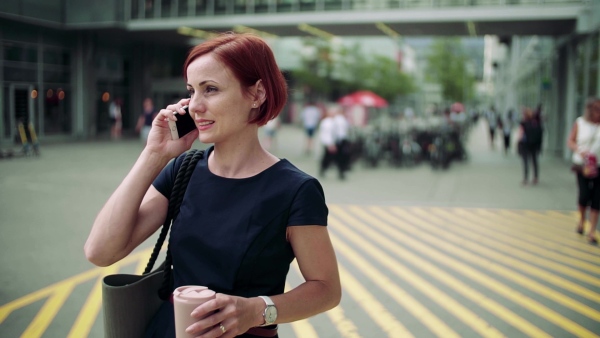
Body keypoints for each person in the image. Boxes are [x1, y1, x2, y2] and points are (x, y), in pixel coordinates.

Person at [85, 33, 341, 337]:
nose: (195, 106)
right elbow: (100, 252)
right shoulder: (185, 169)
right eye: (192, 91)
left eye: (211, 90)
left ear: (257, 94)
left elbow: (326, 290)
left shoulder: (295, 190)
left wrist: (256, 310)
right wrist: (154, 155)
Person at [567, 97, 600, 244]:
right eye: (596, 109)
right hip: (583, 165)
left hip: (599, 165)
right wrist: (578, 150)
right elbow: (570, 141)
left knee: (597, 199)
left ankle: (591, 231)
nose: (598, 112)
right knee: (584, 195)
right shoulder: (580, 123)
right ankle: (581, 221)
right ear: (589, 110)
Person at [517, 107, 543, 186]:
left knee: (526, 162)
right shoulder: (536, 123)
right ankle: (535, 177)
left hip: (525, 145)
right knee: (534, 161)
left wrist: (518, 144)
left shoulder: (523, 123)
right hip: (534, 145)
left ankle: (525, 178)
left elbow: (520, 135)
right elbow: (540, 135)